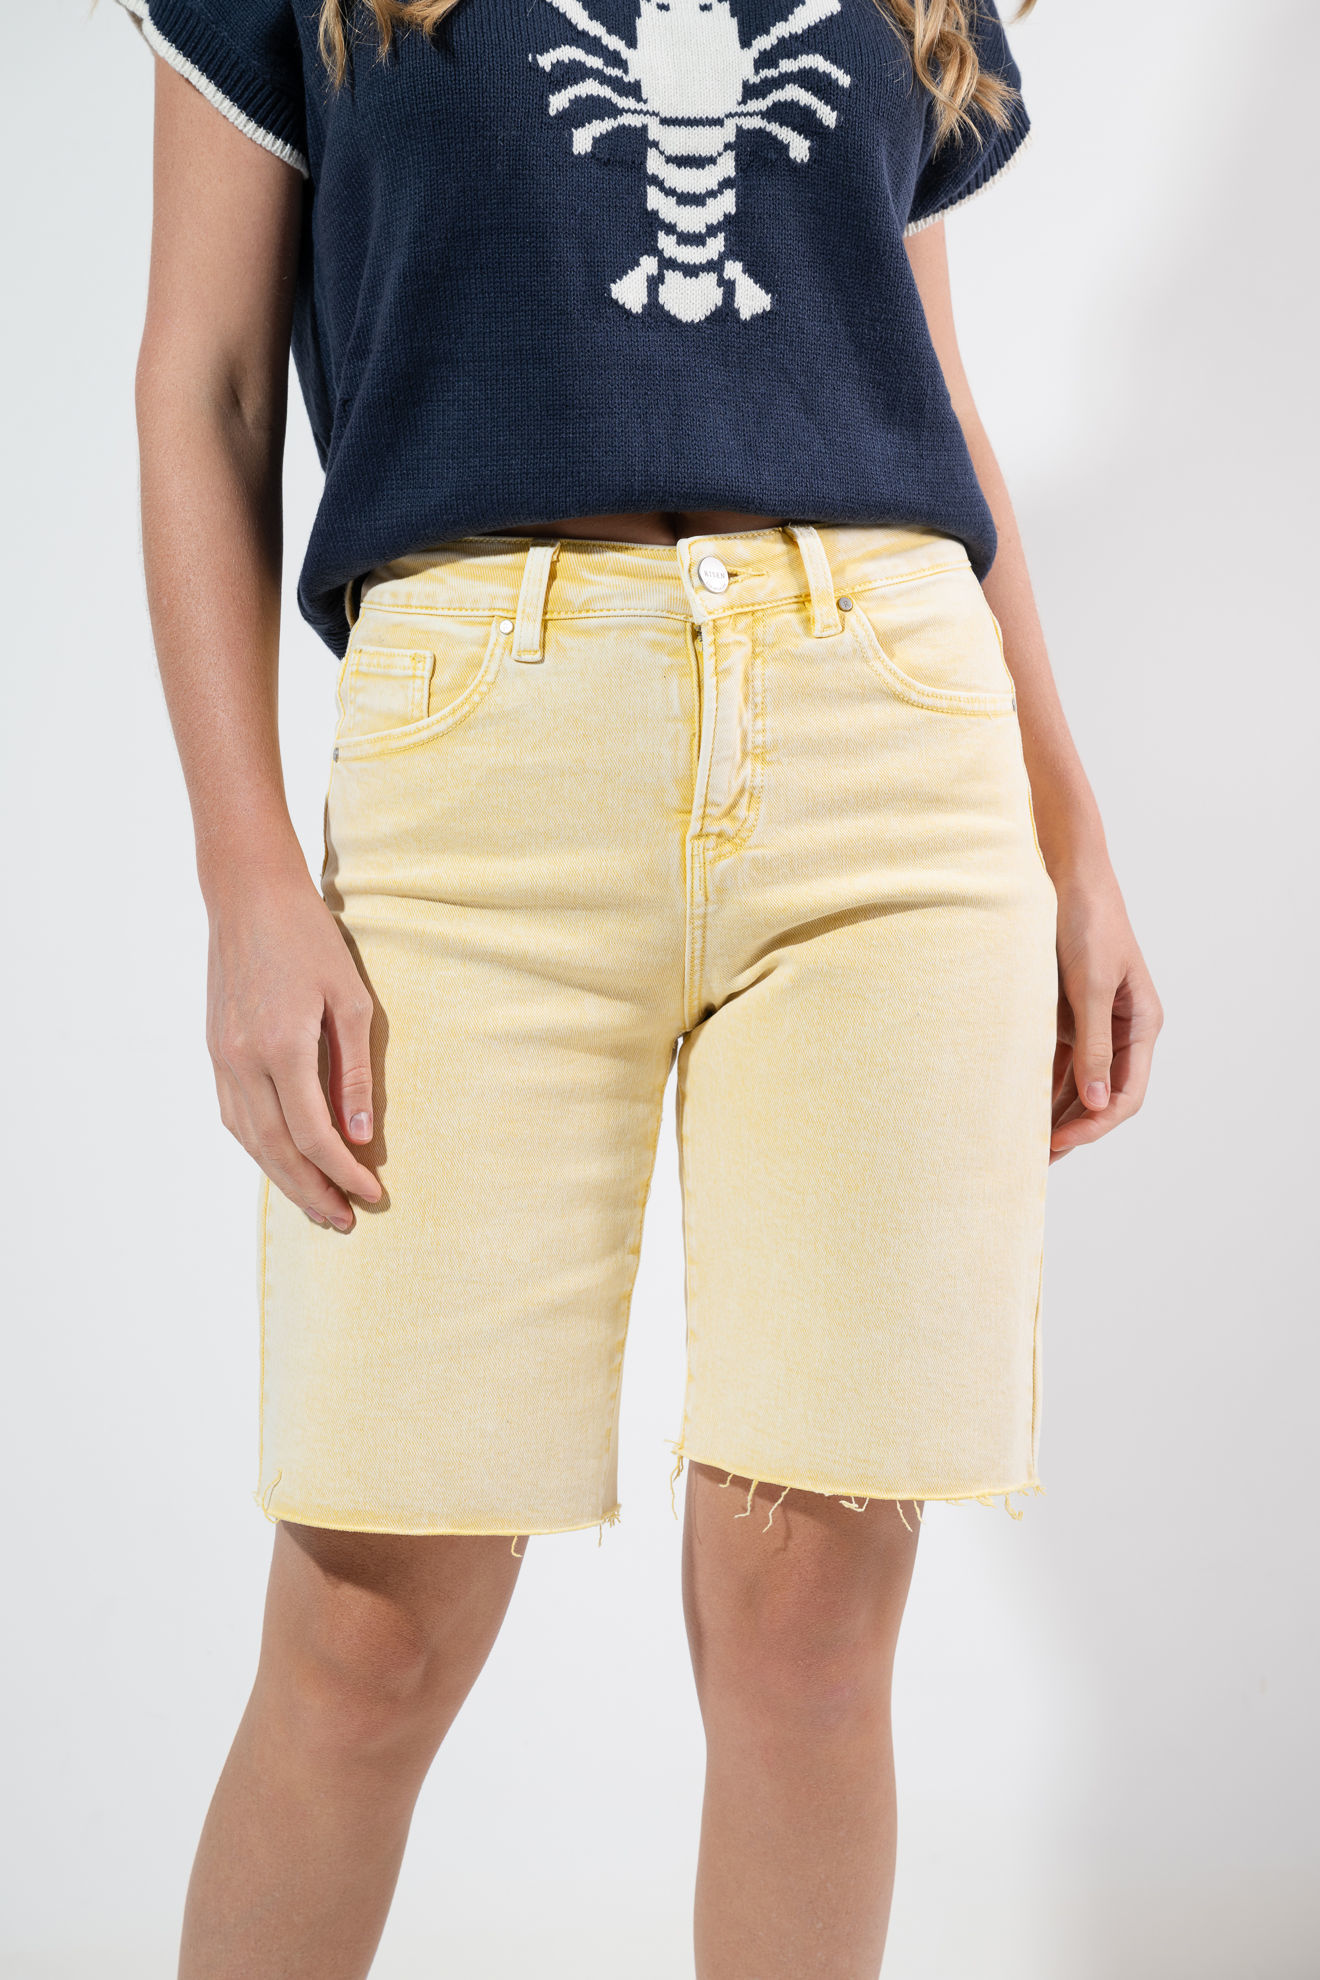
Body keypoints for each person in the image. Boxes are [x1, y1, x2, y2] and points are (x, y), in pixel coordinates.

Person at [117, 0, 1162, 1971]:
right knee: (364, 1632)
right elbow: (209, 385)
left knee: (813, 1628)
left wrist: (1072, 825)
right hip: (480, 766)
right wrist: (242, 871)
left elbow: (922, 376)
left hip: (891, 741)